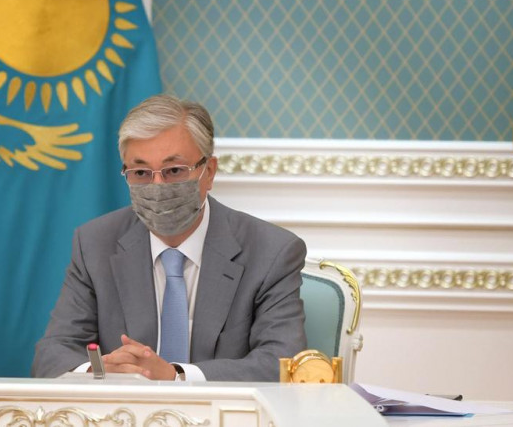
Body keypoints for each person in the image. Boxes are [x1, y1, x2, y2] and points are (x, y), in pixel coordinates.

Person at [32, 95, 307, 381]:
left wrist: (176, 376)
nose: (157, 186)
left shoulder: (271, 252)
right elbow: (52, 354)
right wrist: (100, 370)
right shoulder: (95, 243)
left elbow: (282, 362)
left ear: (209, 172)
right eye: (141, 172)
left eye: (174, 170)